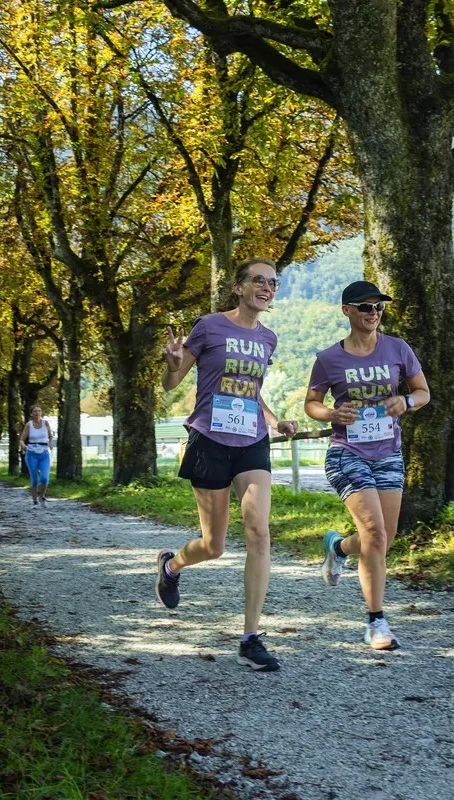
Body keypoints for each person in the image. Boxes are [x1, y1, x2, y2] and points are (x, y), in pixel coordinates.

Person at [157, 257, 298, 672]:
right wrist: (170, 362)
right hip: (209, 439)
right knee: (214, 546)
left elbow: (250, 391)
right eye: (259, 280)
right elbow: (172, 383)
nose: (267, 288)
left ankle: (250, 638)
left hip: (251, 440)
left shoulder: (268, 339)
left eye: (273, 283)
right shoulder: (209, 326)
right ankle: (172, 564)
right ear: (238, 287)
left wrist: (274, 421)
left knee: (258, 531)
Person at [304, 280, 429, 651]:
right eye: (364, 307)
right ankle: (377, 622)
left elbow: (423, 391)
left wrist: (406, 402)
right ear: (347, 311)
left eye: (378, 308)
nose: (373, 313)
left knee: (382, 538)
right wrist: (331, 412)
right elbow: (311, 403)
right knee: (374, 532)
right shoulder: (329, 358)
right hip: (347, 453)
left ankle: (339, 548)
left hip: (388, 452)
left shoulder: (397, 348)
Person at [19, 405, 54, 508]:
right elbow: (21, 439)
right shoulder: (29, 425)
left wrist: (51, 443)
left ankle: (42, 497)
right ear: (31, 413)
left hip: (44, 453)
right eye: (35, 411)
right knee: (35, 479)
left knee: (44, 478)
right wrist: (23, 445)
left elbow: (50, 436)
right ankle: (35, 502)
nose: (38, 413)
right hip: (32, 453)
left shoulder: (46, 423)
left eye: (39, 411)